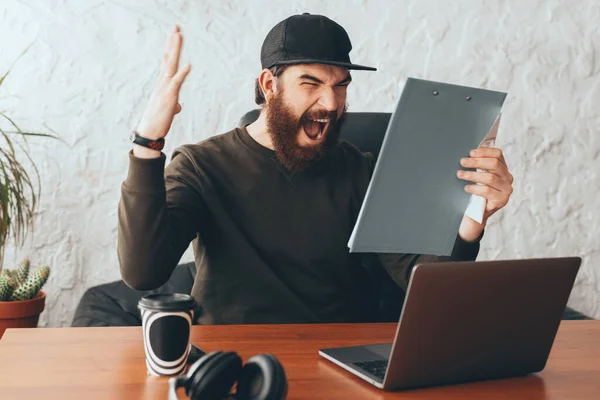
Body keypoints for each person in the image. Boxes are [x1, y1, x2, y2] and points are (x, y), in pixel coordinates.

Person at [118, 13, 514, 325]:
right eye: (311, 83)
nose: (331, 102)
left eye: (341, 85)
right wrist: (148, 142)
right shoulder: (202, 166)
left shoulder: (359, 169)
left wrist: (472, 218)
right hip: (231, 358)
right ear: (269, 86)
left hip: (333, 356)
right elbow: (143, 273)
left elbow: (424, 282)